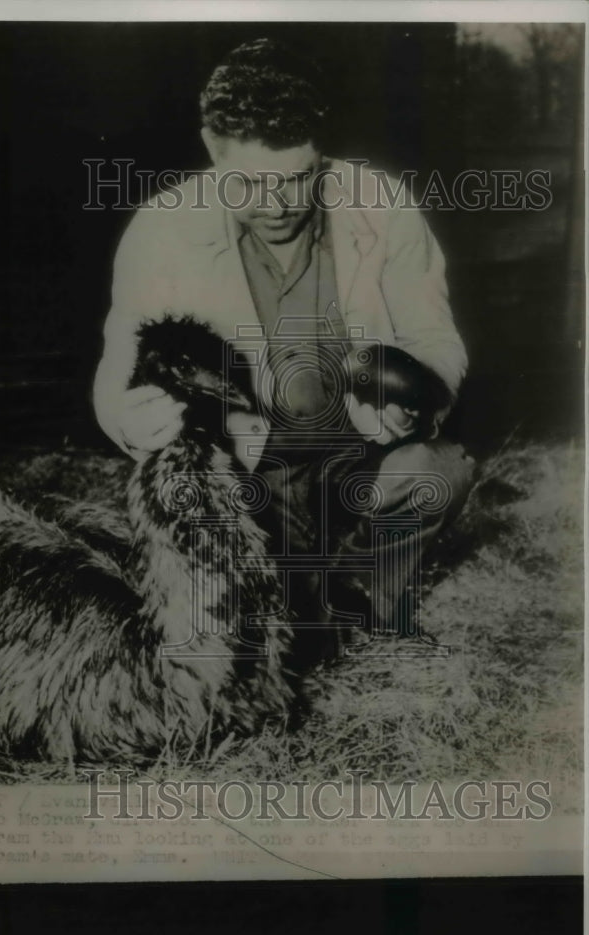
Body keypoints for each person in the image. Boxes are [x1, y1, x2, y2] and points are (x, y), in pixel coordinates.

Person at [93, 37, 475, 664]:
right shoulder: (162, 230)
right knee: (242, 628)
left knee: (438, 471)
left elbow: (432, 337)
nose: (273, 206)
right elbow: (119, 370)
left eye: (297, 179)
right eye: (245, 183)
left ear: (321, 150)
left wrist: (411, 400)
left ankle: (355, 597)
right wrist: (132, 416)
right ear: (213, 149)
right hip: (250, 479)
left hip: (356, 465)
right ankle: (296, 604)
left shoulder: (383, 207)